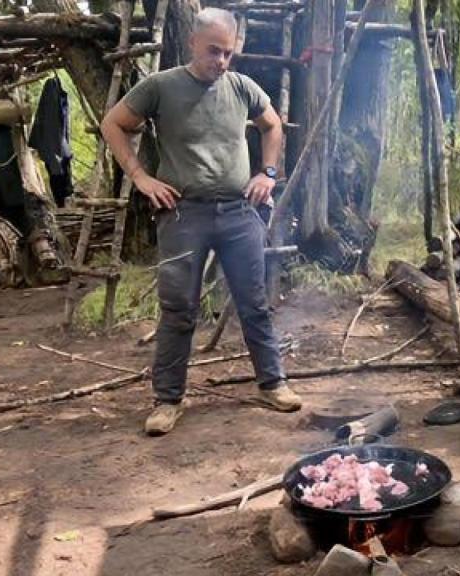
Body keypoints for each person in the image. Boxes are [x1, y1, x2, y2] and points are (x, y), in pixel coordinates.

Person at [100, 7, 301, 436]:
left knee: (254, 302)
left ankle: (273, 383)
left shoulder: (242, 87)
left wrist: (267, 174)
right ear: (193, 43)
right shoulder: (160, 87)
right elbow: (114, 124)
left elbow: (272, 126)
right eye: (214, 51)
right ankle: (168, 400)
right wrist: (140, 177)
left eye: (228, 53)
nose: (221, 61)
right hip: (182, 214)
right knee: (178, 310)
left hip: (239, 212)